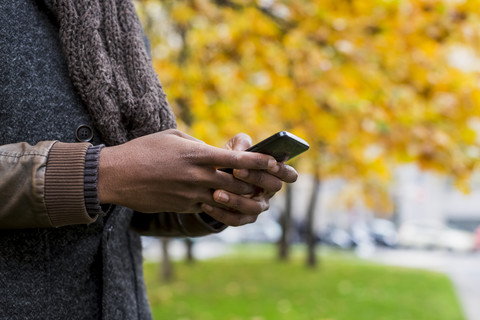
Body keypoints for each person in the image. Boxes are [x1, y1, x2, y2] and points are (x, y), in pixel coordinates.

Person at [0, 1, 298, 319]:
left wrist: (215, 190)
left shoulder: (118, 23)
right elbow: (115, 176)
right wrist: (99, 176)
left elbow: (128, 210)